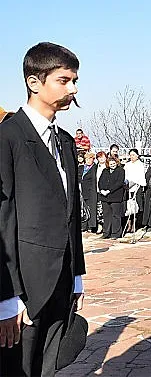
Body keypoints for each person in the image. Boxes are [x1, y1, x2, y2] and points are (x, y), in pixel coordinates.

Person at [0, 42, 87, 376]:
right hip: (24, 290)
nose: (73, 89)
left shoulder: (65, 141)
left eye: (75, 81)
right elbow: (3, 220)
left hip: (61, 282)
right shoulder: (7, 137)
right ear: (34, 83)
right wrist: (8, 297)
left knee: (48, 368)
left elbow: (70, 214)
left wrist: (77, 274)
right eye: (64, 80)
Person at [99, 154, 126, 239]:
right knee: (106, 216)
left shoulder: (121, 170)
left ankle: (116, 233)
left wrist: (109, 190)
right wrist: (102, 190)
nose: (112, 165)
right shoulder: (105, 171)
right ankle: (106, 233)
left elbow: (119, 182)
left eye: (113, 163)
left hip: (115, 196)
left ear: (116, 163)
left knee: (116, 215)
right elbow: (100, 181)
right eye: (110, 164)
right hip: (105, 197)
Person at [123, 149, 146, 232]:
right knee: (129, 206)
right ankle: (129, 225)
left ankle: (134, 225)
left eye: (133, 155)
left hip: (137, 187)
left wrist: (137, 183)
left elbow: (141, 176)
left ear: (137, 155)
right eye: (131, 155)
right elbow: (125, 175)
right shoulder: (127, 165)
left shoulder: (140, 165)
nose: (132, 157)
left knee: (136, 207)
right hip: (128, 187)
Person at [80, 151, 100, 234]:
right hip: (82, 190)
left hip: (91, 190)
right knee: (83, 208)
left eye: (90, 158)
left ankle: (91, 226)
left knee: (91, 208)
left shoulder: (95, 168)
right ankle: (84, 226)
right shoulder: (81, 167)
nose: (88, 160)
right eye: (87, 159)